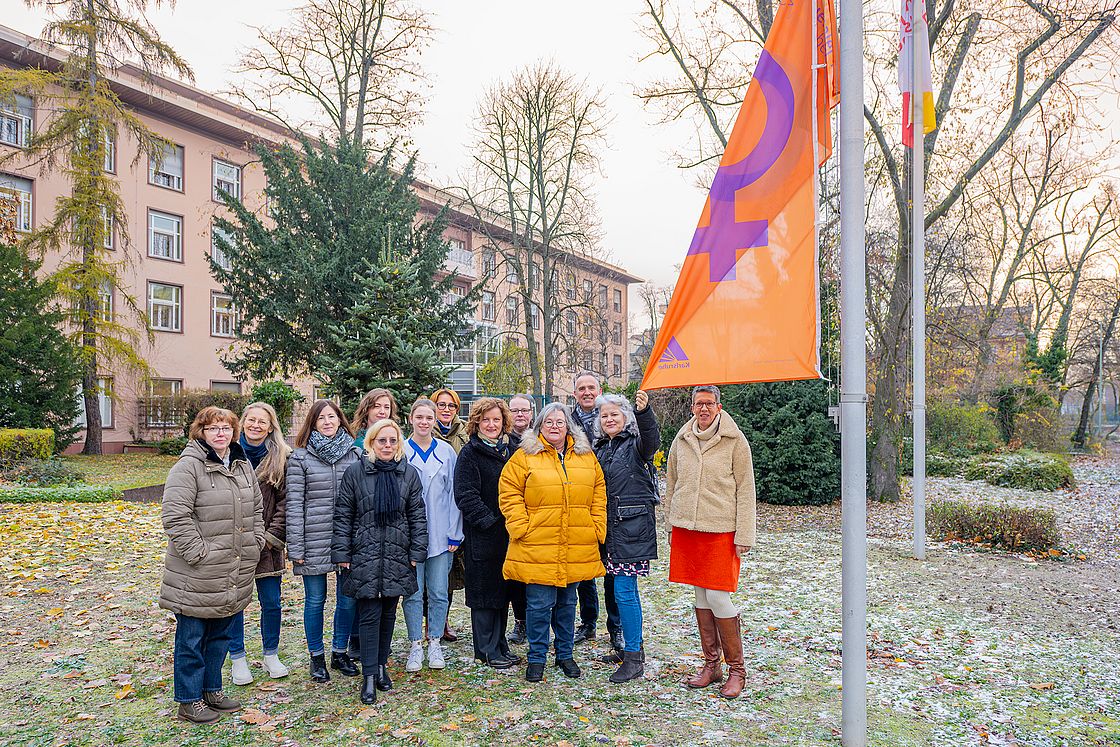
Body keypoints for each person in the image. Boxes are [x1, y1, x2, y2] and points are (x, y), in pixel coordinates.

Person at [160, 406, 263, 723]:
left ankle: (212, 690)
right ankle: (189, 699)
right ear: (201, 433)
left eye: (226, 428)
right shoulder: (188, 467)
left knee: (220, 636)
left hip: (234, 570)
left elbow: (257, 509)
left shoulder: (242, 466)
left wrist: (256, 542)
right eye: (213, 428)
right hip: (198, 574)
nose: (221, 433)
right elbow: (176, 517)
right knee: (192, 639)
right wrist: (198, 554)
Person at [499, 403, 607, 683]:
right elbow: (509, 491)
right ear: (540, 427)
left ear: (568, 426)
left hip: (575, 541)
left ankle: (565, 654)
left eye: (560, 422)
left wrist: (596, 526)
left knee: (567, 603)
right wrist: (521, 525)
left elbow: (598, 492)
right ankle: (536, 657)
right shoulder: (525, 456)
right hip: (538, 542)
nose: (555, 427)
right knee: (538, 605)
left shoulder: (585, 456)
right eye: (549, 422)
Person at [665, 385, 756, 699]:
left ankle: (737, 670)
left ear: (719, 406)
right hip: (688, 528)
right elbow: (672, 482)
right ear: (692, 407)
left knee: (718, 597)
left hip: (721, 530)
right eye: (698, 403)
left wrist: (745, 534)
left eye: (709, 403)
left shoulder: (735, 440)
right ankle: (711, 665)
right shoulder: (682, 439)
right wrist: (670, 523)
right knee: (701, 596)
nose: (703, 408)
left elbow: (746, 489)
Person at [332, 419, 428, 704]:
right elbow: (343, 516)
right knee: (370, 615)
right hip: (365, 554)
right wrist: (342, 555)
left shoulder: (408, 474)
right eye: (381, 440)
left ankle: (383, 666)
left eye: (392, 441)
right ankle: (370, 676)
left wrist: (416, 553)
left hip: (398, 554)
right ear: (371, 442)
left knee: (388, 614)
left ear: (398, 444)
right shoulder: (355, 473)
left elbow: (418, 517)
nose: (387, 446)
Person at [286, 399, 362, 683]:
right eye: (321, 419)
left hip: (346, 539)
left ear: (340, 420)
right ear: (313, 424)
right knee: (315, 600)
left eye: (332, 417)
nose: (328, 422)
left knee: (347, 600)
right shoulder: (300, 458)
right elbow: (294, 504)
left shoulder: (354, 455)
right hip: (312, 540)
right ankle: (316, 657)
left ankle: (339, 652)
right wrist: (296, 547)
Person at [593, 390, 660, 683]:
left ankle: (633, 657)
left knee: (625, 592)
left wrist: (644, 413)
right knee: (620, 593)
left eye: (614, 414)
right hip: (611, 531)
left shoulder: (635, 445)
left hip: (632, 530)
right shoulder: (602, 448)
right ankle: (633, 649)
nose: (609, 419)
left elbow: (652, 439)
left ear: (626, 417)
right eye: (604, 415)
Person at [226, 402, 292, 685]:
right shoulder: (226, 454)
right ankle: (237, 658)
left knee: (272, 602)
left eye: (261, 422)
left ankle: (271, 654)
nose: (255, 425)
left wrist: (271, 536)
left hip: (267, 544)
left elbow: (285, 503)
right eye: (251, 420)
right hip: (231, 543)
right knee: (233, 603)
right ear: (243, 423)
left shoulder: (279, 458)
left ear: (270, 426)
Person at [454, 398, 521, 670]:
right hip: (484, 535)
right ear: (477, 423)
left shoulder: (511, 450)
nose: (491, 425)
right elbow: (465, 495)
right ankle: (486, 649)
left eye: (496, 420)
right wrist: (490, 522)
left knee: (502, 593)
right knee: (484, 596)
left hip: (509, 535)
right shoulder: (470, 453)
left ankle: (500, 643)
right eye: (485, 420)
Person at [402, 398, 463, 672]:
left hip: (441, 537)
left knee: (439, 592)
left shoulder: (446, 451)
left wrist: (454, 533)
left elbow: (454, 495)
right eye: (420, 417)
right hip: (409, 539)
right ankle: (415, 644)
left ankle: (435, 641)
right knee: (413, 593)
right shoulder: (400, 450)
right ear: (411, 419)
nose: (425, 422)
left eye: (429, 417)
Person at [570, 372, 621, 649]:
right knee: (583, 572)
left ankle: (616, 629)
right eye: (581, 388)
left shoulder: (609, 415)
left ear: (599, 390)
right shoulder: (568, 421)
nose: (587, 392)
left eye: (591, 387)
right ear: (575, 393)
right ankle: (588, 622)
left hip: (611, 504)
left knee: (612, 572)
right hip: (582, 503)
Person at [430, 387, 468, 642]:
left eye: (450, 406)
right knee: (433, 573)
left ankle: (444, 619)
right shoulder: (425, 431)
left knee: (452, 573)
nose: (445, 410)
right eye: (441, 405)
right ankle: (433, 623)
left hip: (459, 505)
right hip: (435, 510)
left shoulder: (464, 433)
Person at [504, 394, 535, 646]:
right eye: (515, 410)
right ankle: (520, 622)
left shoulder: (538, 440)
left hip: (536, 516)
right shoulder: (503, 441)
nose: (520, 415)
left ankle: (537, 622)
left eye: (524, 410)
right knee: (514, 577)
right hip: (509, 514)